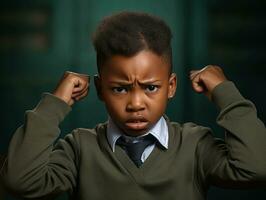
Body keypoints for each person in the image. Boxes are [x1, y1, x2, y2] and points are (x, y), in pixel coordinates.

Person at [3, 11, 266, 200]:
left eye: (151, 87)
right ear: (100, 89)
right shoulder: (79, 149)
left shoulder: (195, 145)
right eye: (120, 88)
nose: (136, 104)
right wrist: (55, 104)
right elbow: (19, 180)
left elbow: (256, 167)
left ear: (171, 86)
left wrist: (225, 93)